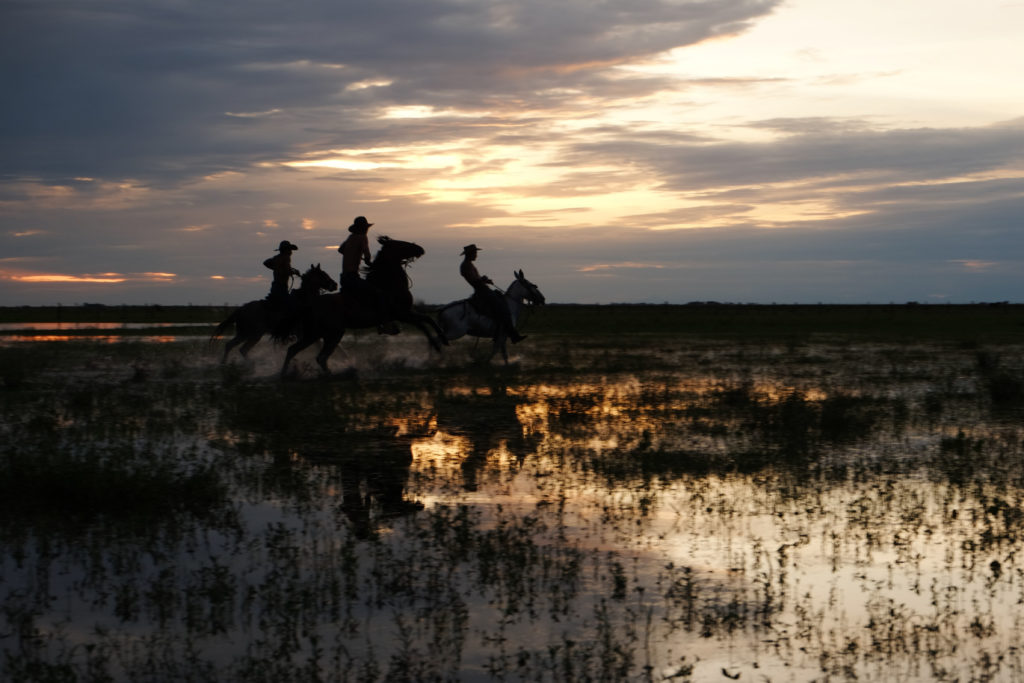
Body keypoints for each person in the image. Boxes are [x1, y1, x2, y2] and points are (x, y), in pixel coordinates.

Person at [337, 216, 398, 334]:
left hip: (344, 278)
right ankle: (384, 324)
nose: (366, 230)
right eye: (365, 228)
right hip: (352, 277)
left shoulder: (350, 237)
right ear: (362, 228)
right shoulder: (362, 237)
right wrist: (368, 261)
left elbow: (340, 250)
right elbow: (367, 255)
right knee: (379, 294)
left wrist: (353, 254)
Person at [459, 244, 525, 343]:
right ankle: (512, 335)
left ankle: (506, 332)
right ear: (470, 254)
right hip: (482, 291)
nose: (476, 255)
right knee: (502, 308)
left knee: (501, 302)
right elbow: (474, 280)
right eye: (475, 253)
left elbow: (476, 280)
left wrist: (485, 280)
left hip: (483, 290)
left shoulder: (468, 264)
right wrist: (483, 279)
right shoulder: (466, 266)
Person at [263, 240, 300, 306]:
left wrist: (276, 268)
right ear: (285, 250)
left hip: (276, 287)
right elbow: (287, 271)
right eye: (289, 250)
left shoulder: (277, 258)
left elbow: (266, 262)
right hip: (280, 288)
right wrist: (294, 272)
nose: (291, 252)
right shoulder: (286, 258)